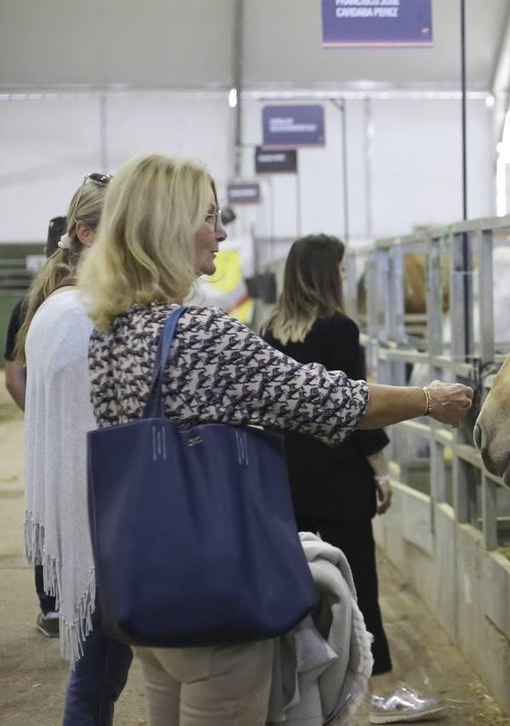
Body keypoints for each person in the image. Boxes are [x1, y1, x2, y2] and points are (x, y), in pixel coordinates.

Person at [78, 152, 472, 725]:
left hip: (145, 587)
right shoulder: (202, 332)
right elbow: (329, 399)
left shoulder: (109, 334)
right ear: (167, 227)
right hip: (215, 598)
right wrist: (429, 400)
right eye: (208, 216)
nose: (220, 232)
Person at [261, 234, 446, 724]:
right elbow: (356, 409)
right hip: (339, 479)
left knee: (294, 588)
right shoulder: (340, 328)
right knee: (360, 587)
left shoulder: (268, 331)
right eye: (341, 269)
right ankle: (381, 695)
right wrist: (382, 474)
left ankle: (294, 698)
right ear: (326, 274)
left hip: (286, 480)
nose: (346, 277)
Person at [15, 174, 135, 724]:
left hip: (93, 513)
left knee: (101, 670)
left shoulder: (65, 307)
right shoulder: (77, 315)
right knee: (97, 671)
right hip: (100, 520)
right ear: (85, 234)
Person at [5, 215, 67, 638]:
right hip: (93, 430)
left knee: (47, 509)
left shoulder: (28, 305)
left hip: (48, 433)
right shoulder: (97, 299)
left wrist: (40, 415)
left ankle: (52, 607)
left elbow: (14, 376)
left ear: (45, 254)